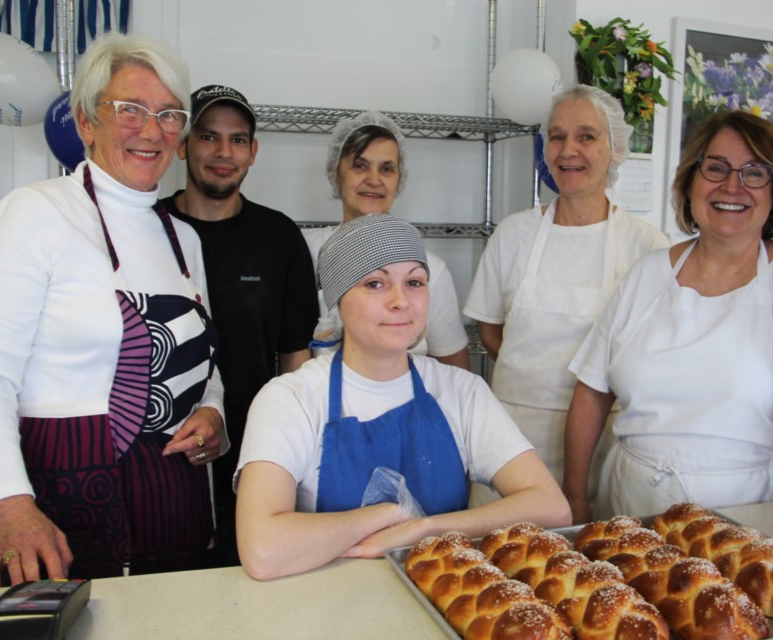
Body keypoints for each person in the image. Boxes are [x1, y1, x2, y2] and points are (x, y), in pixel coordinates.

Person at [0, 32, 227, 586]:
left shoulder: (183, 239)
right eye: (130, 110)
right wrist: (9, 504)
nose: (151, 130)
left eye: (169, 115)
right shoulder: (35, 214)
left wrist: (213, 412)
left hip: (176, 498)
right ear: (85, 121)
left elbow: (201, 363)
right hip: (68, 495)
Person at [563, 110, 773, 524]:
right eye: (716, 168)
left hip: (756, 519)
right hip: (631, 510)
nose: (733, 186)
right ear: (691, 182)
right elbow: (591, 391)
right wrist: (575, 499)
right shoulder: (648, 272)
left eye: (754, 173)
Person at [235, 214, 571, 580]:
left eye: (415, 282)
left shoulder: (462, 391)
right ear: (337, 300)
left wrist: (424, 530)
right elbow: (262, 550)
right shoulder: (290, 400)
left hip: (438, 600)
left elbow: (552, 507)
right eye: (375, 283)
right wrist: (390, 515)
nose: (401, 301)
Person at [463, 85, 669, 500]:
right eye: (557, 136)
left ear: (615, 150)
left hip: (603, 440)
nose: (567, 149)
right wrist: (534, 386)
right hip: (509, 438)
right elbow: (490, 331)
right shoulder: (513, 233)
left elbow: (652, 356)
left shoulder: (647, 246)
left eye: (586, 136)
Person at [159, 84, 319, 567]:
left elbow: (295, 356)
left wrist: (296, 447)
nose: (223, 153)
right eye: (208, 137)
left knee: (244, 582)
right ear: (183, 145)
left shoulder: (279, 236)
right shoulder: (150, 227)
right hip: (163, 451)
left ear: (253, 151)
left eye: (237, 139)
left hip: (254, 452)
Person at [302, 110, 470, 370]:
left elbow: (455, 370)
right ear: (336, 173)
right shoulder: (305, 251)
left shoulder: (429, 270)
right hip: (318, 408)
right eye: (360, 165)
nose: (374, 179)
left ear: (399, 179)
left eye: (387, 169)